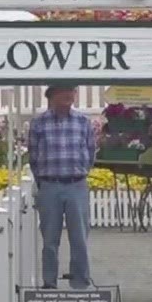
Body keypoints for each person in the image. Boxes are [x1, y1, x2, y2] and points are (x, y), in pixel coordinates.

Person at [28, 84, 96, 289]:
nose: (68, 95)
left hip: (76, 184)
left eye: (71, 91)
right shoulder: (38, 124)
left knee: (80, 238)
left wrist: (82, 172)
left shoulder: (84, 122)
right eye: (62, 92)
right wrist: (42, 182)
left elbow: (91, 152)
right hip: (50, 185)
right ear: (51, 97)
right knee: (49, 239)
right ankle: (49, 282)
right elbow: (33, 156)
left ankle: (80, 281)